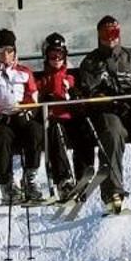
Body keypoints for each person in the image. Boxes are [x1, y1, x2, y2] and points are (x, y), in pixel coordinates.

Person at [76, 15, 131, 211]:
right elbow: (88, 90)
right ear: (99, 35)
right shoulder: (91, 62)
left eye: (114, 32)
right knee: (112, 132)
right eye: (106, 33)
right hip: (109, 111)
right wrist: (107, 98)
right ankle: (113, 191)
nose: (111, 37)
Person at [0, 29, 45, 205]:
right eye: (1, 51)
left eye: (9, 51)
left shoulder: (24, 73)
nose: (6, 55)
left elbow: (33, 97)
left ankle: (30, 178)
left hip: (21, 117)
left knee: (35, 130)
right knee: (1, 136)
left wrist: (27, 113)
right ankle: (6, 184)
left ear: (15, 52)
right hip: (2, 120)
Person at [33, 32, 96, 201]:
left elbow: (83, 94)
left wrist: (77, 96)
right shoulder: (41, 79)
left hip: (71, 117)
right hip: (53, 119)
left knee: (85, 130)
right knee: (55, 134)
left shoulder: (71, 77)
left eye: (60, 55)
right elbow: (33, 95)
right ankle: (63, 180)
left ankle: (84, 171)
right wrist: (42, 99)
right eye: (52, 55)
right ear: (46, 57)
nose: (56, 59)